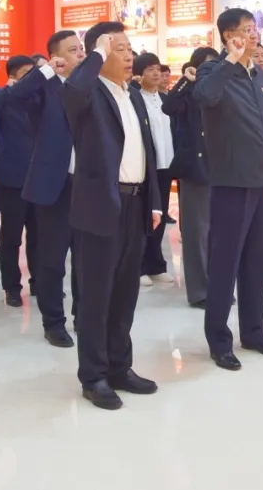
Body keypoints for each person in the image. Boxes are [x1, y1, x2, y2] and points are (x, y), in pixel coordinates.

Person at [61, 21, 162, 411]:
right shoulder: (88, 93)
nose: (129, 55)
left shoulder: (131, 94)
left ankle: (120, 367)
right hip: (100, 205)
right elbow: (72, 90)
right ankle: (94, 376)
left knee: (124, 293)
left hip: (134, 204)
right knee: (96, 296)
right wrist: (98, 53)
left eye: (129, 48)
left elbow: (147, 152)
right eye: (119, 49)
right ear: (99, 53)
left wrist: (154, 201)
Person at [194, 7, 263, 370]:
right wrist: (230, 60)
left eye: (254, 28)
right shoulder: (214, 71)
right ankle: (219, 340)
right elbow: (205, 97)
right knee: (225, 263)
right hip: (232, 181)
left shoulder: (258, 74)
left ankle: (254, 331)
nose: (253, 34)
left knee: (257, 261)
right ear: (228, 36)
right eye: (246, 29)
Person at [7, 30, 84, 347]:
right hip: (55, 185)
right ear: (56, 56)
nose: (80, 54)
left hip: (88, 185)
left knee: (86, 258)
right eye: (72, 49)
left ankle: (84, 316)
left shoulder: (90, 86)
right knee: (52, 260)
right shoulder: (44, 88)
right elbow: (15, 97)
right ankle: (53, 322)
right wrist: (46, 71)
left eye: (81, 48)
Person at [163, 46, 221, 308]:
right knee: (196, 233)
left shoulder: (221, 90)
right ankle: (199, 291)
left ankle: (216, 286)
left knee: (218, 233)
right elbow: (169, 106)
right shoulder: (189, 91)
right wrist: (185, 80)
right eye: (205, 67)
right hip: (195, 168)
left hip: (222, 168)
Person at [0, 55, 38, 307]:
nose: (32, 78)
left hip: (39, 179)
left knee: (39, 237)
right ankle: (12, 287)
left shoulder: (41, 98)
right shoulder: (5, 99)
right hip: (12, 179)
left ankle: (40, 283)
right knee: (11, 237)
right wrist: (8, 89)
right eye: (26, 74)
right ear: (13, 77)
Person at [133, 52, 175, 286]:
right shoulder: (135, 99)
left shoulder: (164, 99)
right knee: (143, 218)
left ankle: (156, 264)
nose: (156, 73)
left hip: (165, 166)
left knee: (160, 216)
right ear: (139, 75)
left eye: (158, 68)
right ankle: (138, 267)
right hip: (145, 167)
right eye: (150, 69)